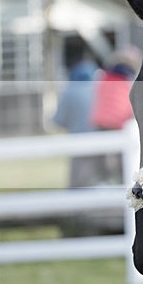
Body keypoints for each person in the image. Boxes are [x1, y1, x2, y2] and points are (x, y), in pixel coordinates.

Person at [89, 48, 141, 183]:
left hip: (101, 121)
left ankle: (101, 180)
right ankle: (123, 180)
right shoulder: (129, 80)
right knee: (123, 157)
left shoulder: (104, 77)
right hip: (119, 122)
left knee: (100, 156)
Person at [53, 57, 99, 187]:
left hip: (77, 142)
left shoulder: (69, 91)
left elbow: (58, 120)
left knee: (77, 183)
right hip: (100, 139)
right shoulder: (100, 88)